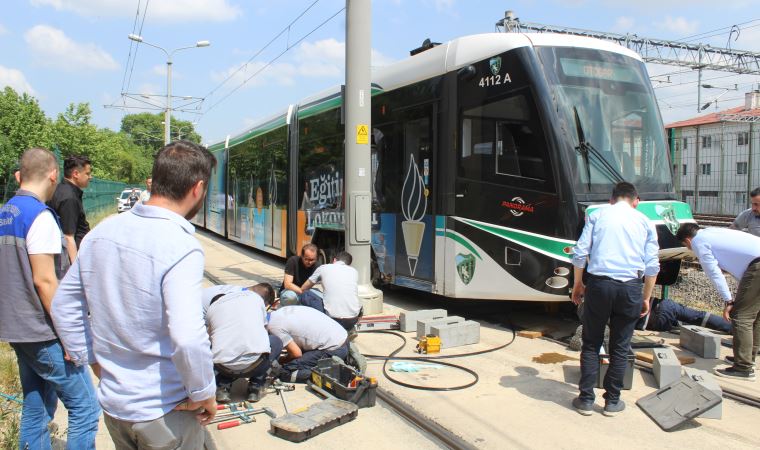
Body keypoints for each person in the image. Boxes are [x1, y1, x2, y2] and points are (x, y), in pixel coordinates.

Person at [51, 141, 218, 449]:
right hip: (166, 410)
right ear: (198, 188)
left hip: (116, 409)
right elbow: (187, 336)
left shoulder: (102, 232)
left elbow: (63, 306)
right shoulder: (181, 246)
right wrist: (204, 391)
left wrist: (94, 363)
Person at [0, 148, 100, 449]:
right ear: (54, 174)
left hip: (17, 329)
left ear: (21, 175)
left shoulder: (6, 212)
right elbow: (45, 281)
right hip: (43, 332)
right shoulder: (40, 217)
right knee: (86, 408)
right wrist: (71, 337)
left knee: (37, 407)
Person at [571, 182, 659, 417]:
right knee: (620, 346)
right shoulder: (645, 222)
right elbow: (652, 266)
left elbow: (580, 252)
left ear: (611, 200)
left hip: (599, 285)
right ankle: (612, 402)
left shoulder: (597, 215)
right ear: (636, 201)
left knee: (591, 342)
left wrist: (578, 284)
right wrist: (646, 297)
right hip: (630, 287)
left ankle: (586, 400)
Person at [676, 223, 760, 381]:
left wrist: (729, 301)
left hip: (757, 265)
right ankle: (748, 358)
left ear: (688, 240)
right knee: (754, 315)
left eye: (687, 246)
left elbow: (714, 273)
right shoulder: (711, 232)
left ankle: (743, 368)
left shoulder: (699, 242)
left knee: (742, 317)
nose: (690, 249)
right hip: (755, 263)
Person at [202, 282, 283, 404]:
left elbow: (209, 340)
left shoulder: (212, 309)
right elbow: (264, 332)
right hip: (256, 365)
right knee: (275, 341)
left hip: (223, 367)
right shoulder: (255, 299)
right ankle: (255, 388)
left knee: (219, 346)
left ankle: (223, 387)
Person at [265, 303, 349, 383]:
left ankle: (331, 374)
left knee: (285, 371)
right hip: (342, 336)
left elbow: (296, 354)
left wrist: (281, 360)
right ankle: (340, 360)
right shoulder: (279, 311)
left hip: (334, 348)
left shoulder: (274, 327)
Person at [48, 155, 92, 264]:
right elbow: (68, 237)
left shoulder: (61, 189)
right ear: (76, 174)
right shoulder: (69, 197)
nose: (90, 177)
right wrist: (75, 269)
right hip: (70, 258)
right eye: (87, 173)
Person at [301, 251, 362, 330]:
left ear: (334, 260)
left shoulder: (323, 268)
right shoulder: (354, 271)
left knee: (305, 293)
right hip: (352, 320)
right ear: (349, 264)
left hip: (333, 320)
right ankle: (349, 329)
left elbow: (304, 287)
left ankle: (312, 327)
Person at [636, 297, 732, 334]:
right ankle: (733, 327)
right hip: (665, 305)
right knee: (699, 316)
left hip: (657, 320)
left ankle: (732, 328)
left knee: (691, 321)